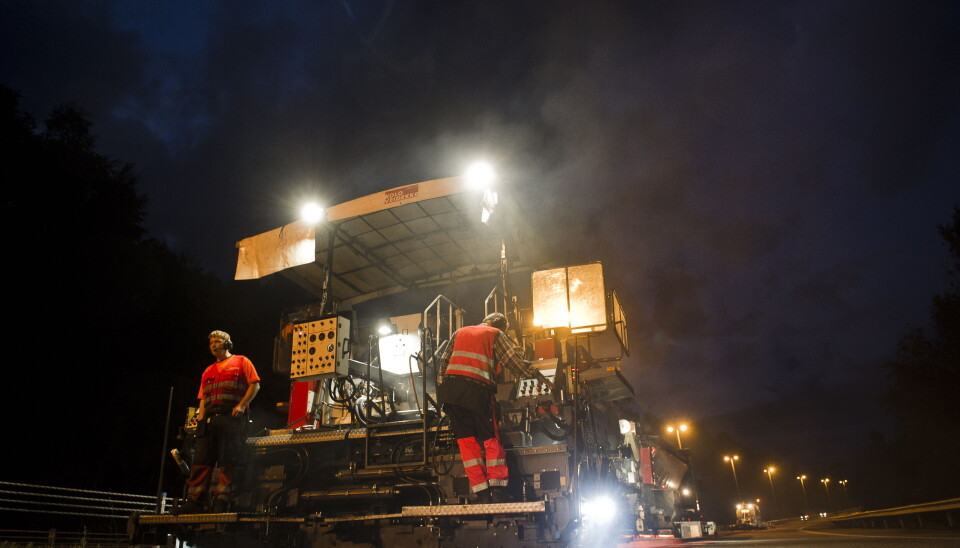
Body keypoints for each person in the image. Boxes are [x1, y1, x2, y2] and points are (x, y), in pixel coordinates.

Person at [438, 312, 553, 503]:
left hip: (452, 394)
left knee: (467, 442)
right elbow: (513, 361)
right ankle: (497, 488)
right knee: (490, 438)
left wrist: (445, 393)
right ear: (499, 326)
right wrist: (539, 376)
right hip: (477, 392)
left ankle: (481, 492)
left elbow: (443, 363)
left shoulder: (460, 332)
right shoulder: (495, 334)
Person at [179, 330, 260, 514]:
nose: (214, 345)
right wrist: (199, 423)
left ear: (227, 343)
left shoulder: (241, 361)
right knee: (201, 461)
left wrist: (241, 405)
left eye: (217, 341)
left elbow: (255, 384)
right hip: (209, 420)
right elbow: (202, 398)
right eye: (211, 343)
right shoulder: (208, 371)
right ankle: (195, 502)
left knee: (227, 460)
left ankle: (221, 500)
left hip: (231, 418)